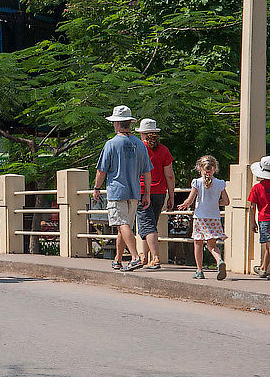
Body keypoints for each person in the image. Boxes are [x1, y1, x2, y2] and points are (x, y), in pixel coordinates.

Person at [93, 106, 153, 272]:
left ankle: (135, 257)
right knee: (124, 225)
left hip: (117, 191)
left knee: (121, 224)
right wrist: (146, 193)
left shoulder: (111, 144)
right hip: (135, 192)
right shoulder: (140, 145)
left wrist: (97, 188)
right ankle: (118, 259)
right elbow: (147, 172)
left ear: (117, 124)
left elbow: (101, 171)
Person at [177, 155, 228, 280]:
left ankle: (199, 270)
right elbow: (226, 202)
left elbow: (190, 200)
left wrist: (185, 204)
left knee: (198, 244)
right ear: (215, 168)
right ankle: (219, 261)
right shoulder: (220, 183)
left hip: (200, 218)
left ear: (200, 168)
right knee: (212, 245)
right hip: (214, 218)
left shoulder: (197, 182)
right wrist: (216, 203)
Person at [135, 119, 176, 269]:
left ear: (142, 134)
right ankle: (144, 257)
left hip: (141, 191)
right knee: (150, 224)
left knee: (147, 225)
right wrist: (171, 196)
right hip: (160, 192)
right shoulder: (164, 150)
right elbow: (169, 175)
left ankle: (156, 258)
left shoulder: (138, 148)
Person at [248, 156, 270, 278]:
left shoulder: (257, 188)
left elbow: (252, 206)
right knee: (269, 245)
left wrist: (253, 222)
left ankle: (263, 268)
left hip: (265, 219)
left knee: (268, 244)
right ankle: (263, 268)